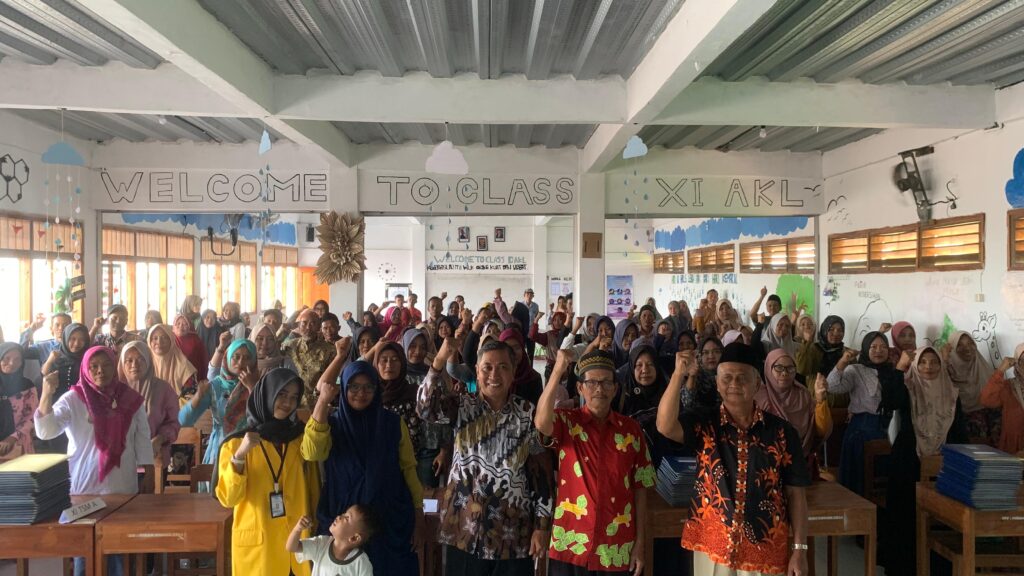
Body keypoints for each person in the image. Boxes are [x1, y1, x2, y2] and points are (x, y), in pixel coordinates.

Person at [656, 343, 809, 576]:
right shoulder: (704, 423)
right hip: (713, 545)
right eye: (727, 378)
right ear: (717, 384)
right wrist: (678, 375)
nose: (734, 384)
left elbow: (796, 494)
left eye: (742, 378)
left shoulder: (782, 432)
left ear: (757, 384)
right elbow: (665, 426)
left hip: (765, 548)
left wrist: (799, 550)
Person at [418, 339, 552, 575]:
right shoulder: (461, 406)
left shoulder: (527, 414)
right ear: (477, 372)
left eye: (503, 367)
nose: (494, 375)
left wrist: (542, 526)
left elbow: (540, 472)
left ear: (513, 372)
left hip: (513, 535)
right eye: (487, 367)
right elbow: (426, 409)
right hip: (463, 531)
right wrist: (438, 361)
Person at [36, 346, 154, 576]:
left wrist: (148, 472)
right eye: (94, 366)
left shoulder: (129, 398)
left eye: (107, 365)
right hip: (84, 489)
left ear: (115, 366)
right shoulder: (73, 399)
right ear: (85, 369)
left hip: (121, 487)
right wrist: (46, 395)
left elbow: (142, 438)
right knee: (85, 552)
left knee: (119, 553)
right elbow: (46, 431)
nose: (101, 371)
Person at [536, 349, 654, 576]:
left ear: (615, 389)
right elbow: (541, 423)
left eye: (606, 383)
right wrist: (558, 370)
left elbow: (640, 488)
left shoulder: (631, 430)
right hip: (571, 544)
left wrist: (640, 543)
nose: (599, 389)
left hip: (616, 547)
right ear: (580, 388)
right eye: (591, 383)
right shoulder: (567, 422)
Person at [306, 346, 422, 576]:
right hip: (345, 521)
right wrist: (322, 403)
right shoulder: (331, 424)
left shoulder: (392, 423)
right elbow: (312, 453)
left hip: (389, 519)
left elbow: (409, 469)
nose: (361, 393)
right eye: (354, 387)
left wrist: (419, 514)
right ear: (344, 388)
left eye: (369, 387)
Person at [215, 368, 321, 576]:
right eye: (282, 394)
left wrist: (316, 527)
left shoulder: (300, 439)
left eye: (294, 397)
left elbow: (313, 490)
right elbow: (228, 499)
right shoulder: (235, 444)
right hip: (259, 550)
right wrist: (240, 455)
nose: (287, 402)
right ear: (266, 394)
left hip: (297, 543)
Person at [883, 346, 967, 575]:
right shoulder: (908, 387)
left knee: (943, 516)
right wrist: (900, 369)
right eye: (923, 362)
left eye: (934, 362)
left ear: (941, 365)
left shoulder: (951, 393)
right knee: (906, 516)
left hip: (944, 464)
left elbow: (960, 433)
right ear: (915, 365)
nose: (928, 367)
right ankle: (905, 567)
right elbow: (890, 401)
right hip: (908, 461)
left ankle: (940, 567)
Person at [827, 332, 895, 496]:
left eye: (883, 347)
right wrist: (843, 362)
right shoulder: (855, 370)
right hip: (862, 428)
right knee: (860, 477)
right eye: (873, 347)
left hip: (889, 428)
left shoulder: (893, 371)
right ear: (865, 349)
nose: (878, 351)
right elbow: (833, 386)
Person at [180, 339, 260, 470]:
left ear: (253, 361)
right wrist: (198, 397)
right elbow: (183, 421)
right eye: (236, 357)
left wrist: (252, 388)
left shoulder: (260, 384)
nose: (241, 362)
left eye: (247, 358)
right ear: (227, 358)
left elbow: (262, 418)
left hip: (251, 449)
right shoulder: (215, 386)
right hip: (220, 449)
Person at [757, 349, 831, 479]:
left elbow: (819, 431)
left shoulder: (803, 395)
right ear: (768, 369)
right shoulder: (759, 398)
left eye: (790, 368)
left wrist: (820, 400)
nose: (785, 373)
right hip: (765, 464)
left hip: (801, 461)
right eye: (779, 368)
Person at [118, 341, 180, 471]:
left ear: (148, 361)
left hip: (154, 458)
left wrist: (159, 439)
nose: (134, 365)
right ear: (122, 363)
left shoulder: (163, 389)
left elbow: (174, 422)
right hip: (120, 461)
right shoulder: (115, 391)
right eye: (129, 360)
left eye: (140, 359)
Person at [37, 323, 91, 453]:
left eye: (81, 339)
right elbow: (43, 376)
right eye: (72, 339)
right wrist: (50, 361)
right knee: (57, 448)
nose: (76, 343)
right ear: (65, 338)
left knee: (78, 447)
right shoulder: (57, 359)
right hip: (58, 409)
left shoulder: (89, 360)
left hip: (80, 411)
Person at [287, 508, 376, 576]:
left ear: (354, 538)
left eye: (346, 518)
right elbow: (291, 547)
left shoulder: (361, 562)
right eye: (343, 514)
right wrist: (297, 529)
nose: (339, 516)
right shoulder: (321, 544)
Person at [946, 331, 998, 444]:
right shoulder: (945, 373)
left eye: (970, 343)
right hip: (957, 429)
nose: (967, 348)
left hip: (987, 429)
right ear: (952, 348)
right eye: (960, 345)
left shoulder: (984, 369)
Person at [282, 309, 337, 408]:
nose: (308, 327)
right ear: (299, 326)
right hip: (290, 402)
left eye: (313, 323)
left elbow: (331, 381)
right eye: (304, 323)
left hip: (317, 403)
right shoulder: (288, 347)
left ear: (319, 327)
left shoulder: (330, 351)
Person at [982, 345, 1024, 453]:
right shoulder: (1008, 387)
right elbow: (986, 400)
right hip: (1013, 446)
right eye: (1023, 361)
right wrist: (1001, 370)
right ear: (1017, 364)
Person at [0, 343, 38, 460]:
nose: (12, 363)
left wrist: (13, 437)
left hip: (20, 444)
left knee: (21, 472)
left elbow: (32, 417)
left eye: (17, 359)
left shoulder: (27, 386)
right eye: (7, 358)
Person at [148, 324, 201, 404]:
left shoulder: (184, 366)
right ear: (149, 341)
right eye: (155, 338)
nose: (159, 342)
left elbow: (191, 397)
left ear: (171, 340)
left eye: (164, 338)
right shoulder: (144, 364)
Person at [797, 315, 846, 386]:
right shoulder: (814, 348)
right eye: (831, 329)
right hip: (816, 391)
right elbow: (802, 370)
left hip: (841, 392)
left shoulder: (846, 352)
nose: (836, 333)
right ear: (824, 330)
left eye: (840, 330)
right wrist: (807, 344)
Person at [500, 327, 544, 406]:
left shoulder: (533, 378)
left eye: (516, 347)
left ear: (523, 350)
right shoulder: (495, 377)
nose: (513, 353)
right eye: (508, 348)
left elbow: (538, 410)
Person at [680, 337, 722, 418]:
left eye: (716, 351)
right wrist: (692, 376)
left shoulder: (728, 374)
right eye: (706, 352)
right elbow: (687, 403)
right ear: (700, 356)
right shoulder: (695, 374)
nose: (711, 356)